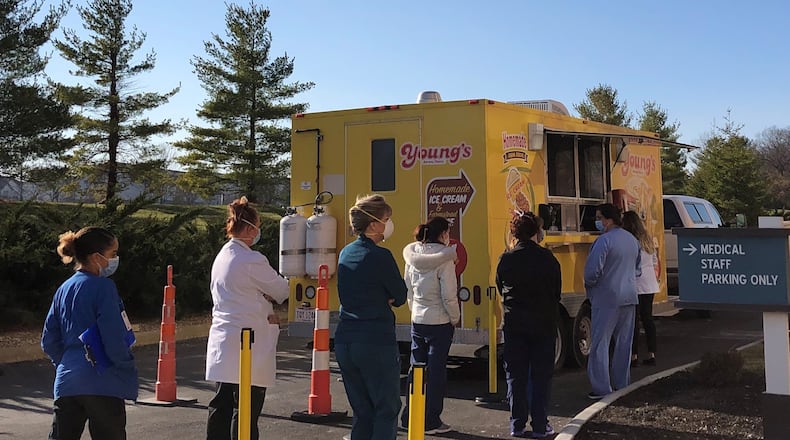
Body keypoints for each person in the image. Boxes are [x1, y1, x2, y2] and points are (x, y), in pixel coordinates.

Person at [41, 227, 138, 440]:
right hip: (103, 381)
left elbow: (49, 340)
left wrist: (67, 363)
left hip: (67, 381)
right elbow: (113, 336)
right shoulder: (104, 288)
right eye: (112, 254)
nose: (115, 259)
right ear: (96, 257)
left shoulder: (64, 289)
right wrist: (126, 365)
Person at [205, 196, 289, 440]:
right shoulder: (252, 259)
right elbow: (281, 290)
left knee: (221, 403)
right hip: (247, 341)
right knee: (246, 408)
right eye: (258, 226)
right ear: (251, 229)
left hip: (224, 336)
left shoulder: (223, 255)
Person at [335, 194, 408, 440]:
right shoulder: (381, 256)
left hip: (346, 339)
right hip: (375, 340)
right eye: (386, 219)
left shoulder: (346, 253)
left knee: (362, 411)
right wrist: (384, 297)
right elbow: (399, 295)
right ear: (374, 224)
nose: (389, 224)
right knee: (386, 409)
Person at [496, 211, 561, 438]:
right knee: (541, 375)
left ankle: (517, 423)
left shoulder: (506, 259)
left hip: (515, 323)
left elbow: (500, 286)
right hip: (543, 323)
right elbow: (556, 291)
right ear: (536, 232)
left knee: (516, 374)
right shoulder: (548, 258)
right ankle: (541, 425)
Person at [399, 217, 459, 434]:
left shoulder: (413, 256)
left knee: (416, 369)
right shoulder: (445, 260)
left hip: (418, 320)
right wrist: (455, 317)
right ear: (443, 234)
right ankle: (432, 420)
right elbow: (448, 295)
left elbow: (408, 289)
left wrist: (414, 311)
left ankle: (409, 416)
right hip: (440, 322)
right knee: (436, 372)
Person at [583, 203, 641, 400]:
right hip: (629, 296)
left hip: (606, 297)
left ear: (607, 220)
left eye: (599, 217)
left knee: (600, 343)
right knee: (624, 343)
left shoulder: (604, 241)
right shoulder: (632, 240)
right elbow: (638, 269)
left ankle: (601, 388)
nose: (597, 221)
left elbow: (591, 273)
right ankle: (622, 383)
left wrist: (591, 286)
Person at [622, 211, 660, 367]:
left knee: (633, 322)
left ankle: (634, 355)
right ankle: (652, 353)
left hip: (635, 284)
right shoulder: (647, 239)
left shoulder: (630, 241)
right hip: (650, 284)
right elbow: (654, 260)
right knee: (648, 319)